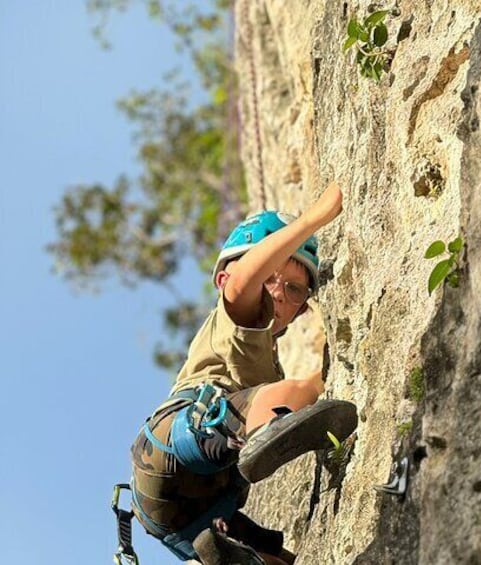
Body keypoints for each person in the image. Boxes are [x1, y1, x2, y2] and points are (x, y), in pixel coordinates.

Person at [129, 182, 357, 565]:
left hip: (192, 512)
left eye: (295, 288)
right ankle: (264, 430)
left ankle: (228, 558)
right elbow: (243, 282)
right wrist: (316, 217)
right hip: (180, 439)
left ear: (302, 311)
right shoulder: (237, 315)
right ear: (222, 280)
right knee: (293, 393)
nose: (279, 292)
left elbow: (315, 385)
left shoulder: (265, 356)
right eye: (271, 275)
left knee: (278, 560)